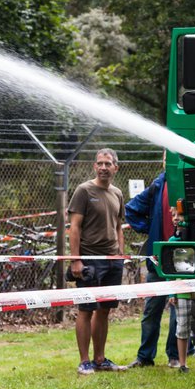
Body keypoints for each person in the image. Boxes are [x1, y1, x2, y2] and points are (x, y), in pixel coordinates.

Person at [68, 148, 129, 375]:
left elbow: (118, 227)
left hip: (113, 261)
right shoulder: (84, 190)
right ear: (95, 166)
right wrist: (76, 261)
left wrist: (120, 255)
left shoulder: (117, 193)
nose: (103, 167)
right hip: (89, 260)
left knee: (104, 311)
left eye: (108, 164)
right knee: (86, 310)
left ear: (115, 168)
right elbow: (74, 228)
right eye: (100, 163)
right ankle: (84, 362)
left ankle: (100, 359)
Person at [125, 168, 186, 368]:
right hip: (158, 261)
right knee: (151, 310)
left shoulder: (189, 181)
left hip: (185, 261)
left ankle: (175, 356)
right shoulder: (158, 185)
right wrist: (149, 228)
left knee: (179, 311)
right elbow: (131, 210)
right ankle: (144, 357)